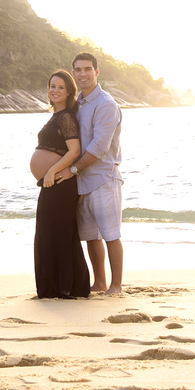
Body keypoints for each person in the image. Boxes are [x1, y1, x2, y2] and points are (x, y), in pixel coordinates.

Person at [57, 52, 124, 295]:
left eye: (88, 69)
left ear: (97, 72)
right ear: (73, 73)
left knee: (110, 234)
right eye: (78, 69)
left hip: (104, 179)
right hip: (82, 181)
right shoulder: (78, 104)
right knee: (92, 237)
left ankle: (116, 286)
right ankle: (100, 283)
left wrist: (71, 169)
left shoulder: (105, 104)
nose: (83, 73)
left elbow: (98, 148)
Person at [28, 70, 91, 299]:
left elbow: (74, 151)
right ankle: (55, 286)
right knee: (48, 232)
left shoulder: (65, 116)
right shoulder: (56, 115)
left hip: (61, 183)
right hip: (51, 183)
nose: (55, 90)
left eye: (60, 87)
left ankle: (67, 287)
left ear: (69, 92)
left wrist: (52, 170)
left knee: (59, 233)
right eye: (52, 86)